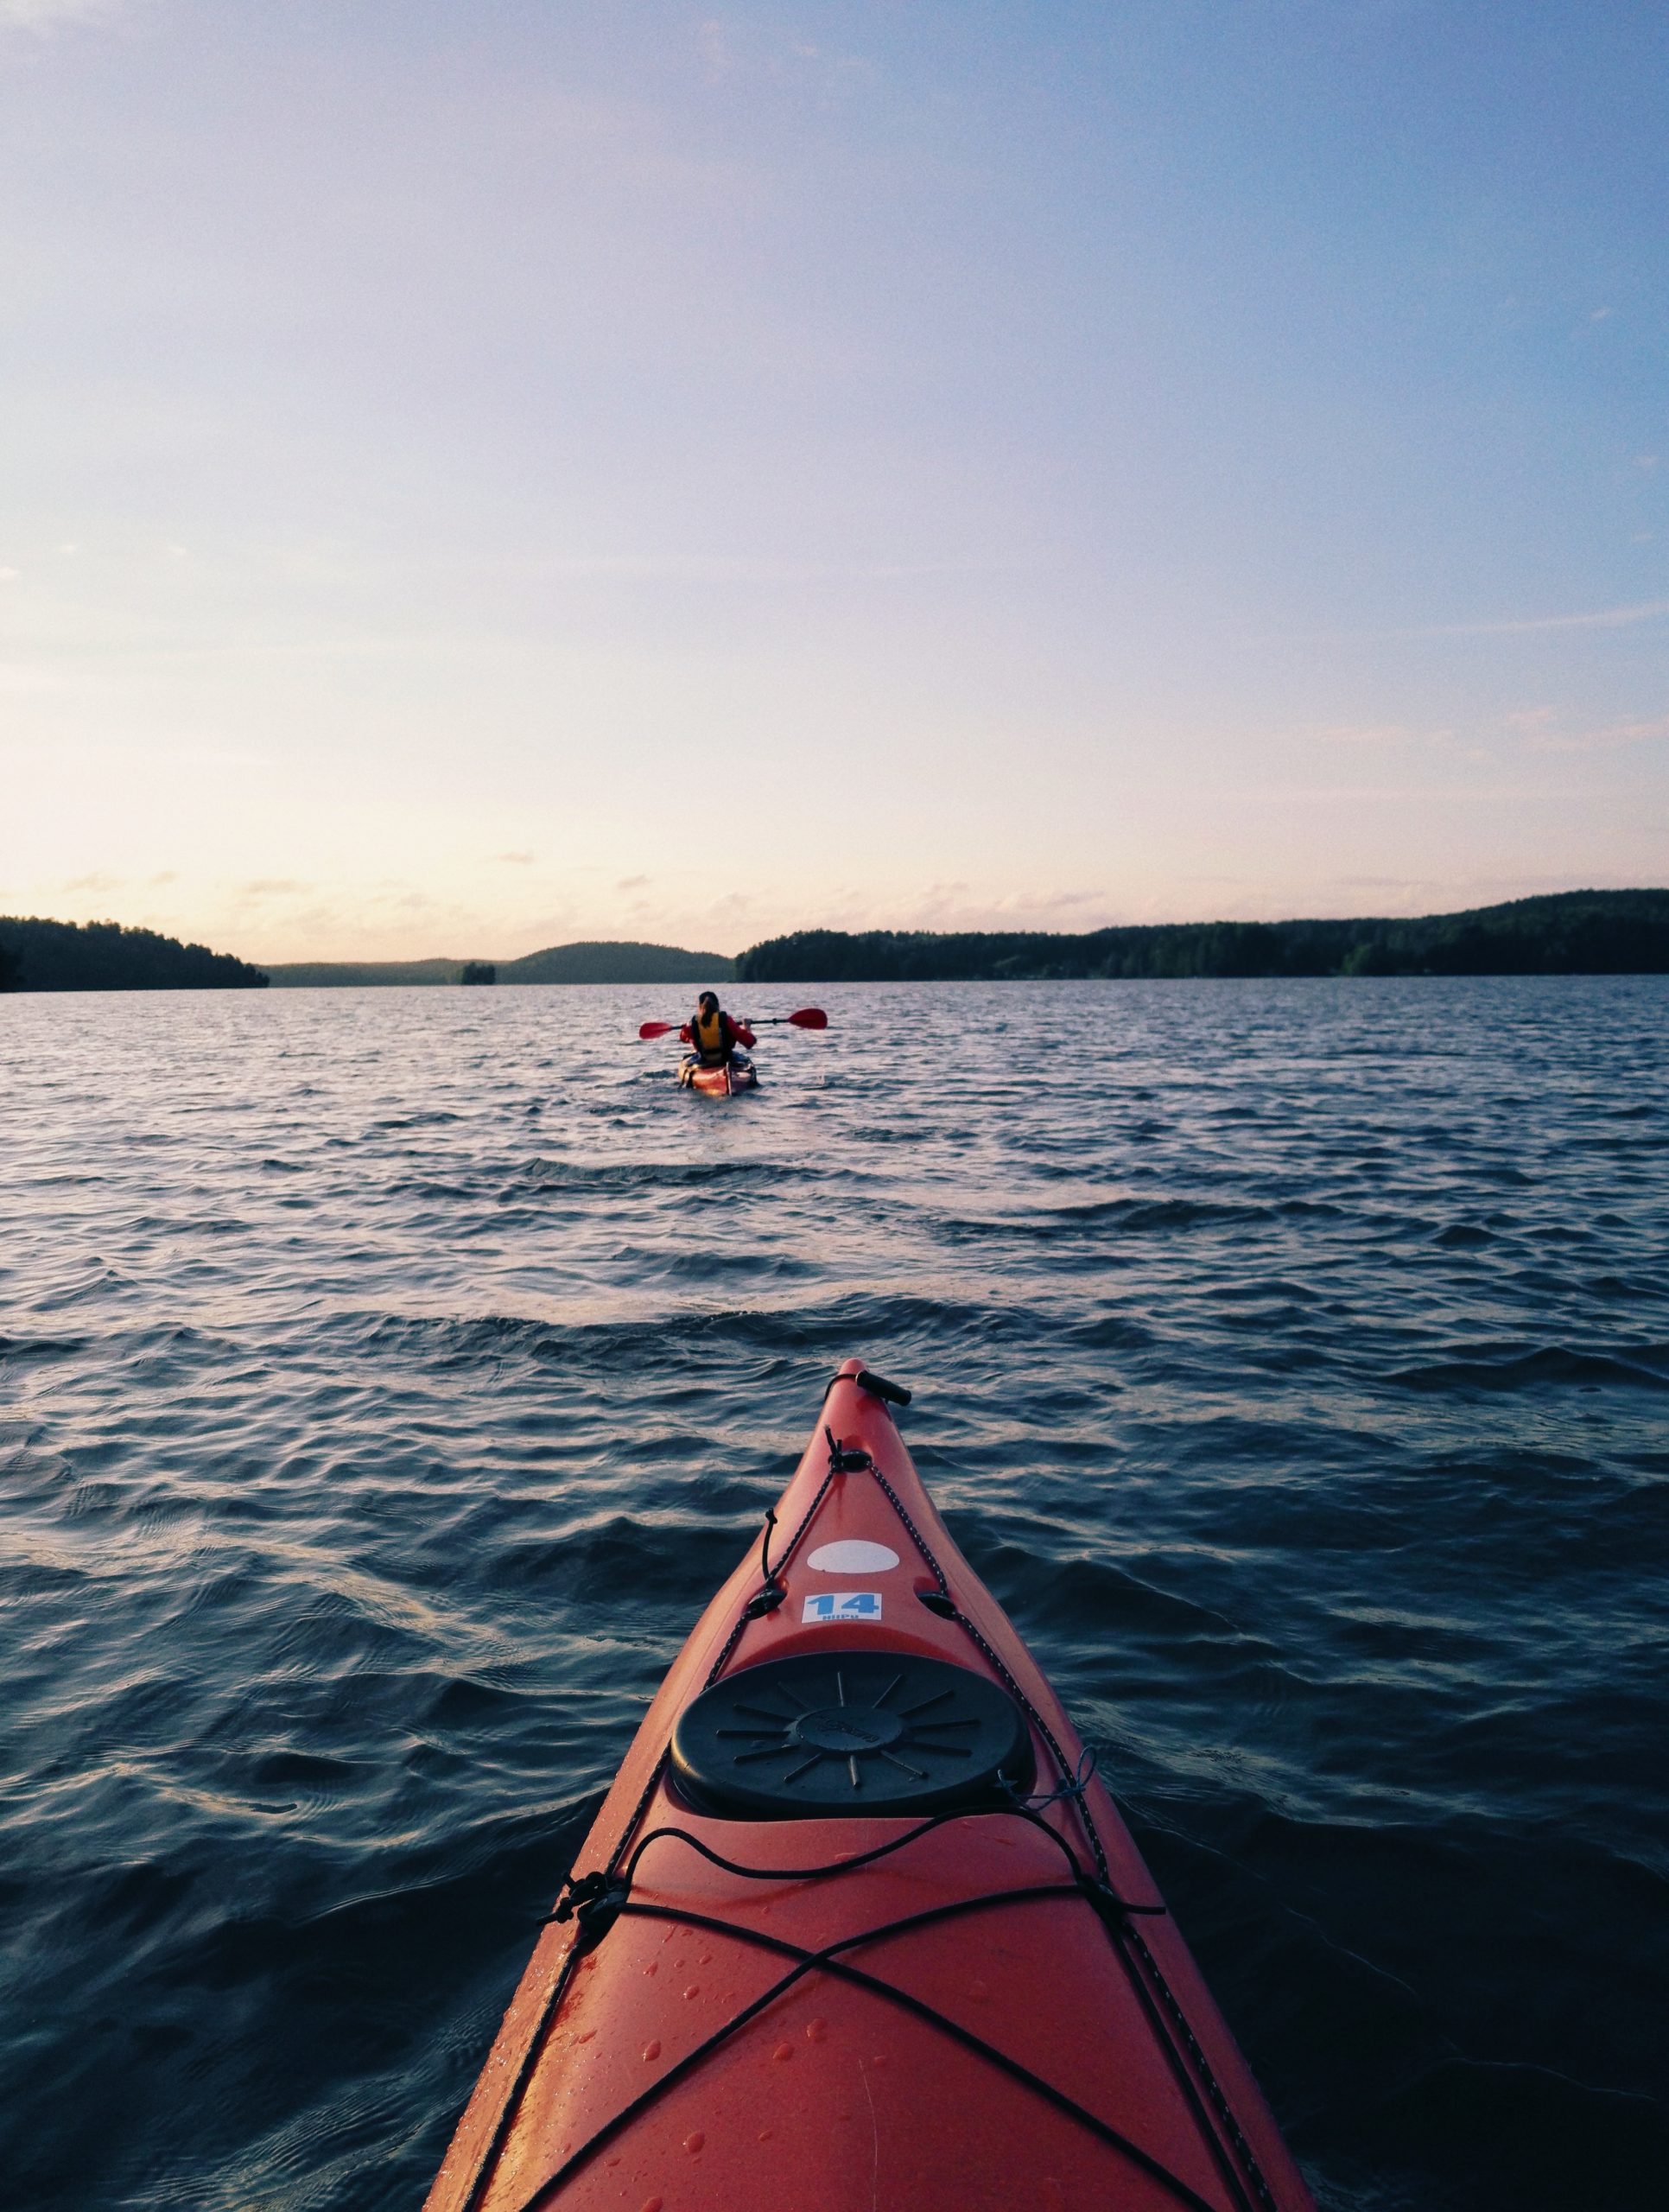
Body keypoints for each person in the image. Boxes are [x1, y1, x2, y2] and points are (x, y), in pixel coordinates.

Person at [681, 990, 756, 1070]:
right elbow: (749, 1043)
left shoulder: (693, 1023)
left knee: (688, 1060)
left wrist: (685, 1027)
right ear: (718, 1006)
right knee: (745, 1060)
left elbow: (683, 1038)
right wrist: (747, 1027)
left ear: (700, 1007)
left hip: (703, 1061)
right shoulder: (727, 1020)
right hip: (726, 1060)